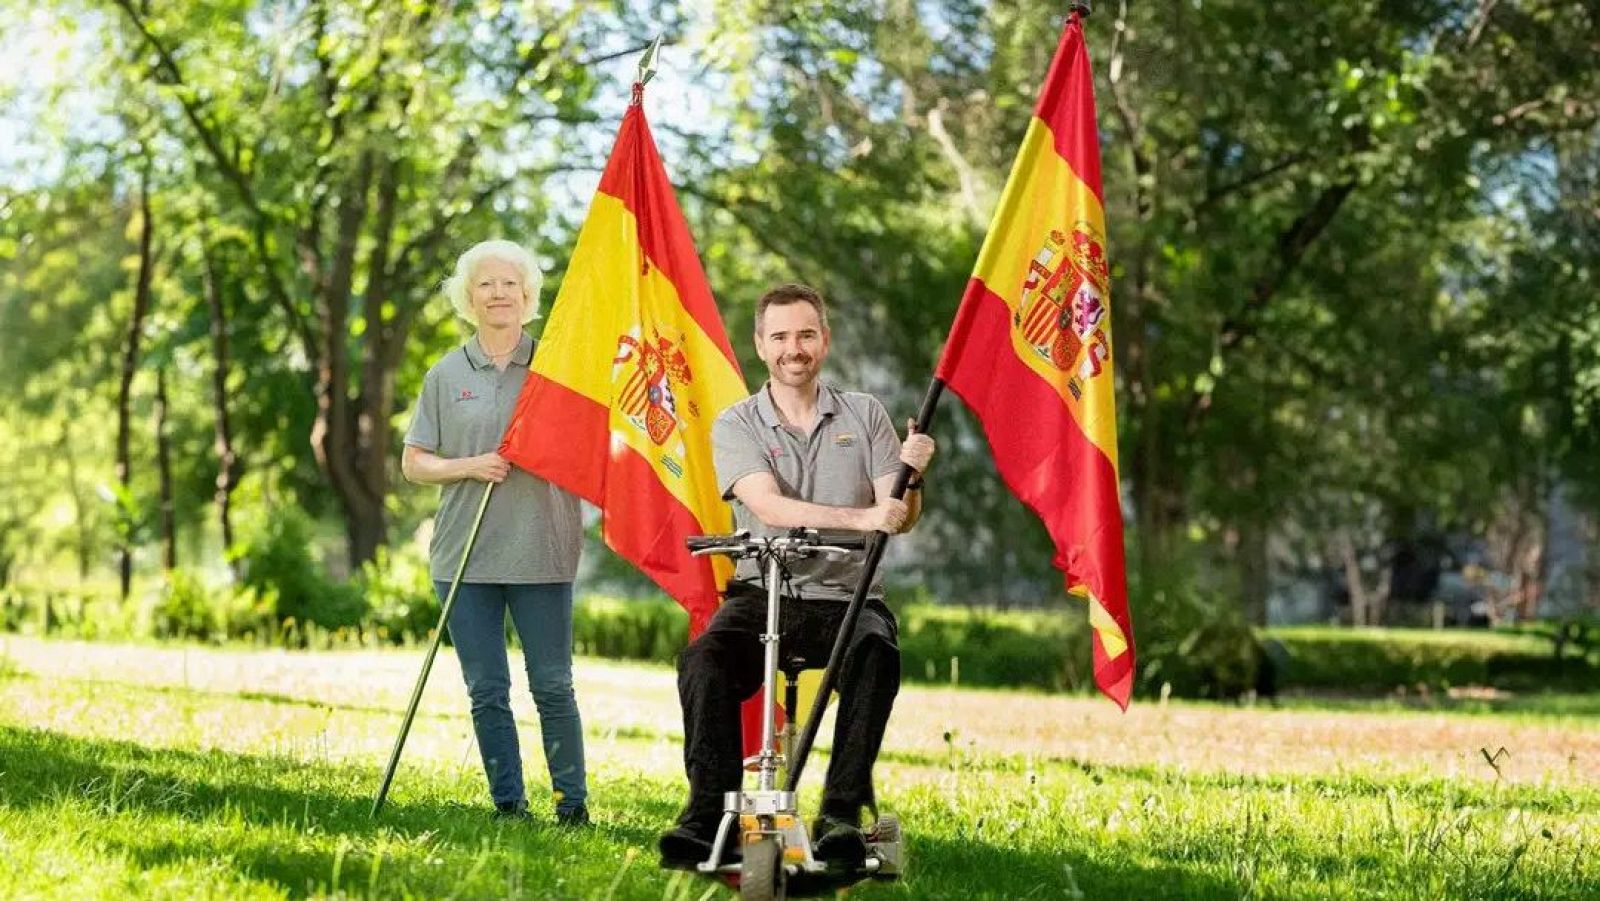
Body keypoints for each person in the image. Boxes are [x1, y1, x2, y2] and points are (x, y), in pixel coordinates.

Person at [658, 283, 935, 869]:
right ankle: (707, 816)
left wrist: (911, 476)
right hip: (765, 591)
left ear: (824, 341)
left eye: (806, 334)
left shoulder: (866, 415)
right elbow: (769, 507)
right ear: (761, 345)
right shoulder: (737, 424)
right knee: (702, 661)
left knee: (877, 655)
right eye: (780, 336)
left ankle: (839, 814)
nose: (794, 347)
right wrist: (864, 516)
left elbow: (899, 515)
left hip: (846, 594)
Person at [401, 239, 590, 826]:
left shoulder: (558, 369)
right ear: (469, 297)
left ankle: (572, 807)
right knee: (487, 691)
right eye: (486, 284)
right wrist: (470, 465)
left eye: (510, 283)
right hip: (465, 558)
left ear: (528, 295)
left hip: (544, 552)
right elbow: (414, 463)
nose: (499, 293)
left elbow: (591, 451)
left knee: (554, 687)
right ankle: (510, 804)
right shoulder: (445, 373)